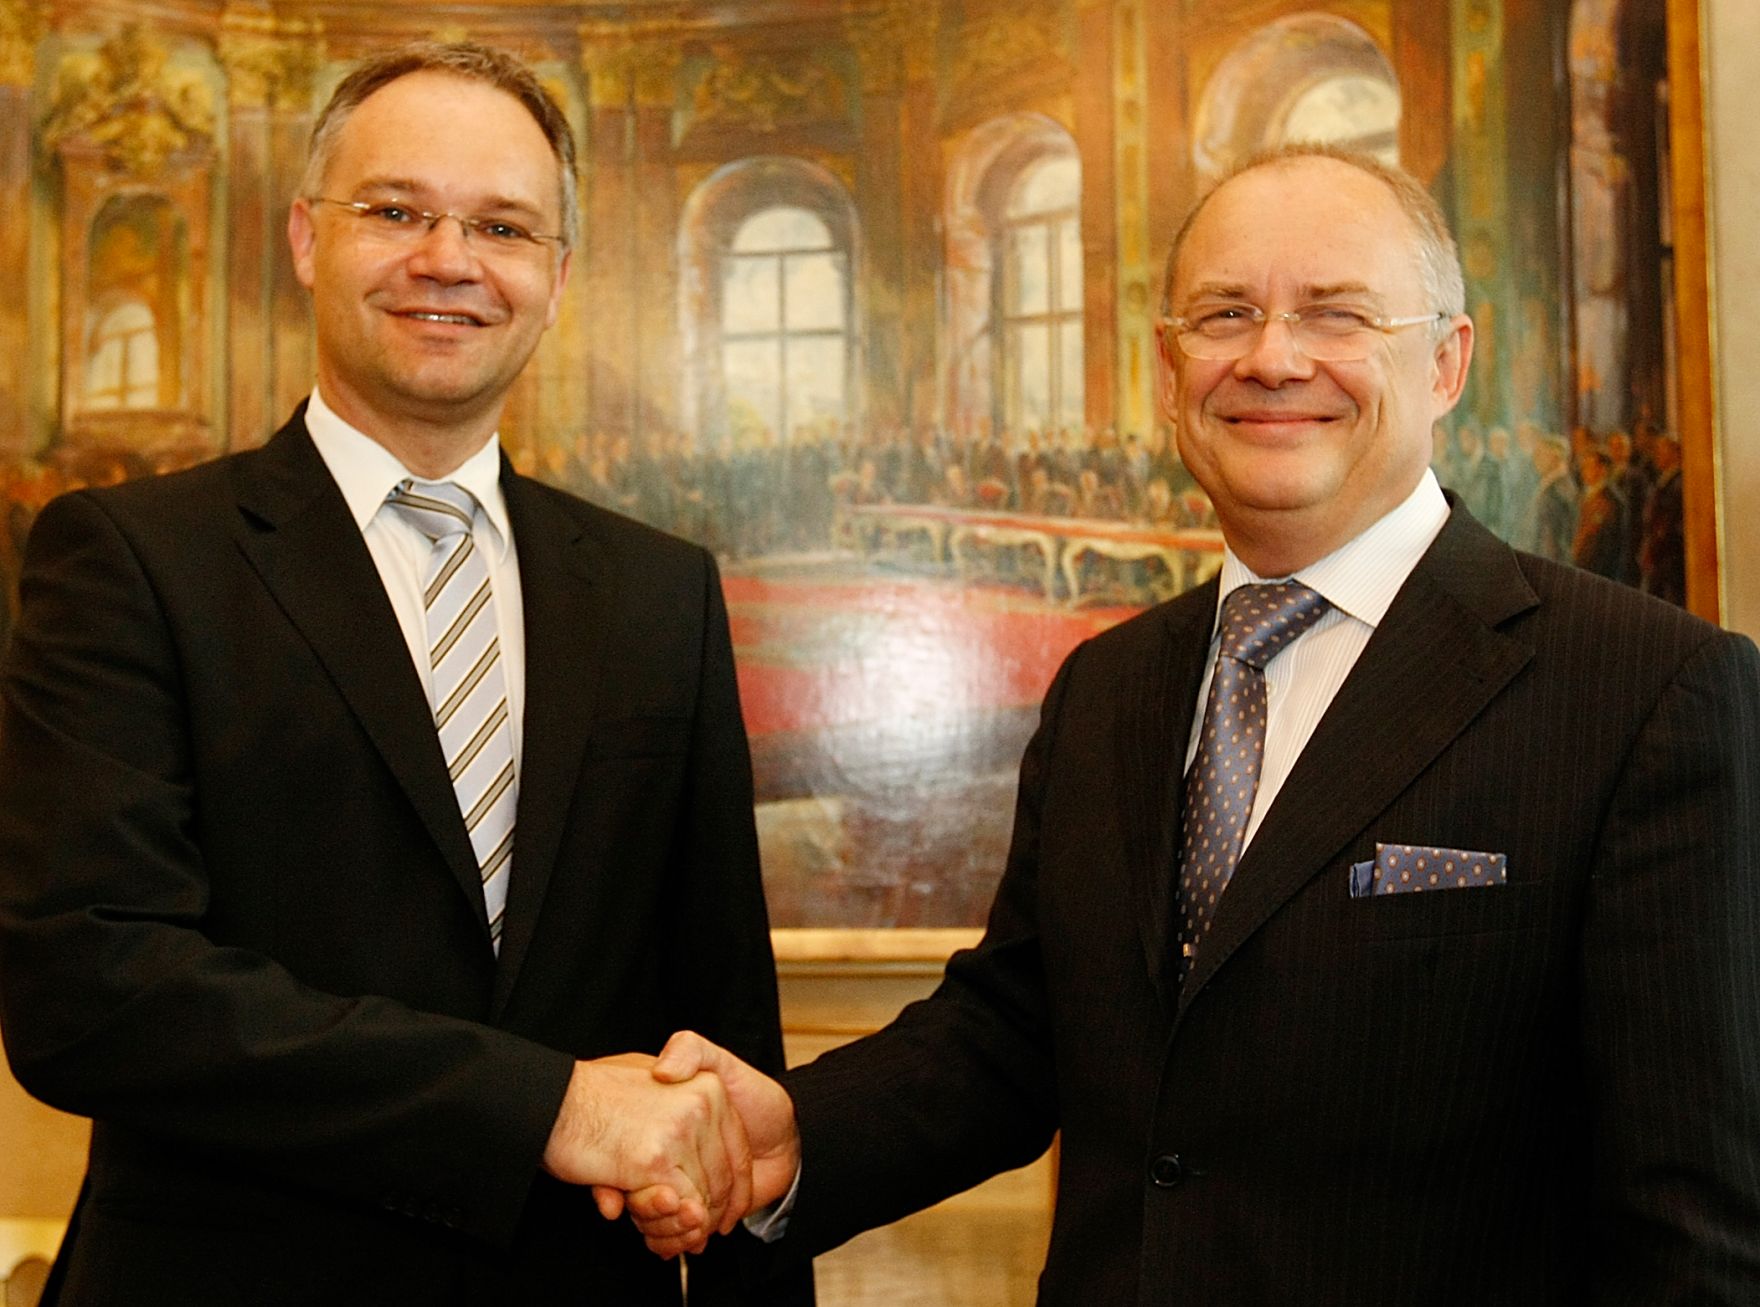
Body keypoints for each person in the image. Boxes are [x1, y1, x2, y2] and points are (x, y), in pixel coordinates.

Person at [623, 145, 1760, 1302]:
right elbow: (1017, 1032)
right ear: (1170, 369)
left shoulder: (1646, 692)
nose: (1271, 357)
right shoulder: (1107, 686)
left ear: (1443, 361)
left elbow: (1694, 1228)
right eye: (1224, 314)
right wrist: (791, 1136)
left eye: (1336, 313)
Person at [0, 42, 808, 1306]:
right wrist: (540, 1103)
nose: (450, 259)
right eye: (396, 211)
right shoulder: (130, 559)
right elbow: (89, 992)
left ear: (556, 275)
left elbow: (723, 1045)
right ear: (307, 237)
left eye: (502, 225)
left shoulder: (659, 592)